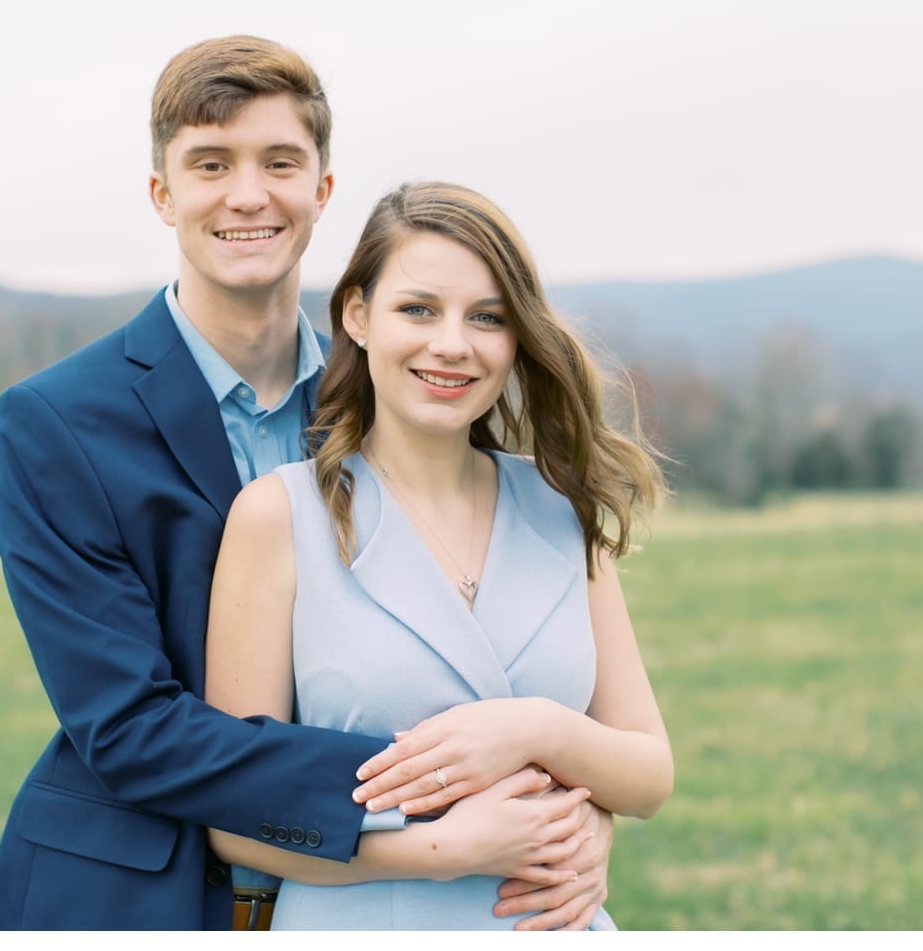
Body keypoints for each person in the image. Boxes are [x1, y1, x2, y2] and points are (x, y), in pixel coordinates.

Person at [0, 37, 614, 930]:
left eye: (280, 162)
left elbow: (509, 643)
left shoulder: (406, 389)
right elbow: (126, 729)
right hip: (132, 892)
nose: (248, 194)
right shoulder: (56, 423)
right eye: (210, 163)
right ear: (163, 194)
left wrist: (572, 815)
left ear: (322, 190)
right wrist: (440, 795)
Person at [204, 181, 674, 930]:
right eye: (418, 309)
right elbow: (233, 820)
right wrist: (448, 848)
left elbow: (648, 773)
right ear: (357, 316)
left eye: (487, 317)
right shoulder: (279, 516)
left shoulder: (559, 510)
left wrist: (537, 731)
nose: (452, 344)